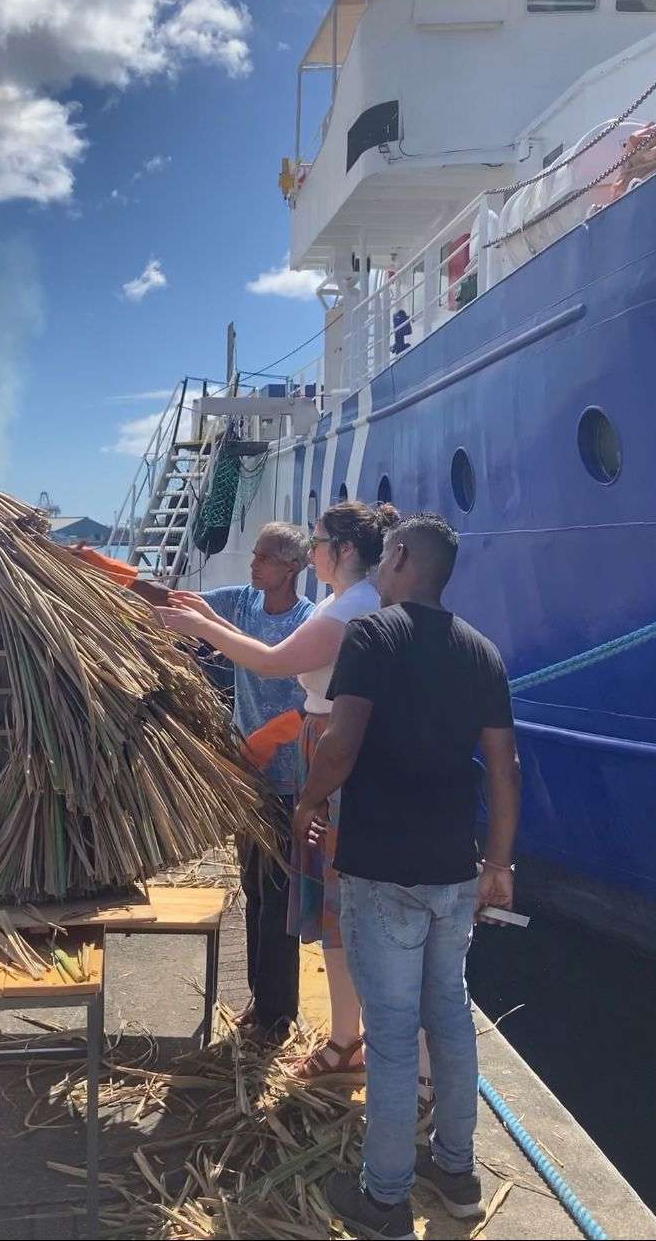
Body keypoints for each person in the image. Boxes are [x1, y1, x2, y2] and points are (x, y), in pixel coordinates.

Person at [293, 513, 521, 1239]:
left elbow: (340, 741)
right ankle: (456, 1173)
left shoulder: (372, 634)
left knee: (392, 1036)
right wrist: (500, 865)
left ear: (395, 558)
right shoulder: (481, 651)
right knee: (449, 1019)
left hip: (383, 869)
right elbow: (506, 768)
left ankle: (384, 1199)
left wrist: (308, 800)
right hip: (455, 871)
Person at [164, 501, 399, 1078]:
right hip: (316, 769)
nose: (315, 549)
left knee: (339, 912)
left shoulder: (343, 612)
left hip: (322, 771)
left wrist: (201, 630)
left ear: (336, 552)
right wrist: (204, 619)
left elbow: (273, 665)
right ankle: (341, 1034)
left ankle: (349, 1039)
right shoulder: (342, 605)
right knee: (312, 905)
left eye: (318, 542)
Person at [163, 522, 313, 1041]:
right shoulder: (244, 603)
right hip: (249, 781)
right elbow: (183, 604)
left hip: (290, 784)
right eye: (254, 556)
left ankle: (278, 1012)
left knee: (278, 896)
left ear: (291, 567)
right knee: (252, 889)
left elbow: (309, 709)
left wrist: (266, 742)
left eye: (265, 558)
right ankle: (260, 998)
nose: (254, 565)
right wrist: (103, 571)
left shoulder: (306, 622)